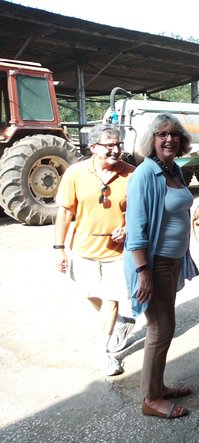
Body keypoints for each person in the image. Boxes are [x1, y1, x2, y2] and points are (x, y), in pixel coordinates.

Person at [124, 113, 199, 419]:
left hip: (171, 263)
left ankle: (158, 386)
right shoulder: (145, 174)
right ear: (152, 140)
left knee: (165, 327)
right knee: (160, 328)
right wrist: (143, 273)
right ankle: (150, 398)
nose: (169, 139)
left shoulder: (175, 171)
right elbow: (136, 228)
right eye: (162, 134)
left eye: (174, 134)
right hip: (152, 266)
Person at [54, 123, 136, 376]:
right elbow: (65, 212)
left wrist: (129, 229)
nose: (116, 149)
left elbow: (140, 212)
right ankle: (121, 323)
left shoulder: (131, 174)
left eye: (118, 144)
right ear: (92, 147)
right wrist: (59, 248)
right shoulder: (76, 173)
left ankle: (103, 351)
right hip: (84, 249)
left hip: (118, 252)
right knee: (91, 294)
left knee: (111, 298)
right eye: (109, 145)